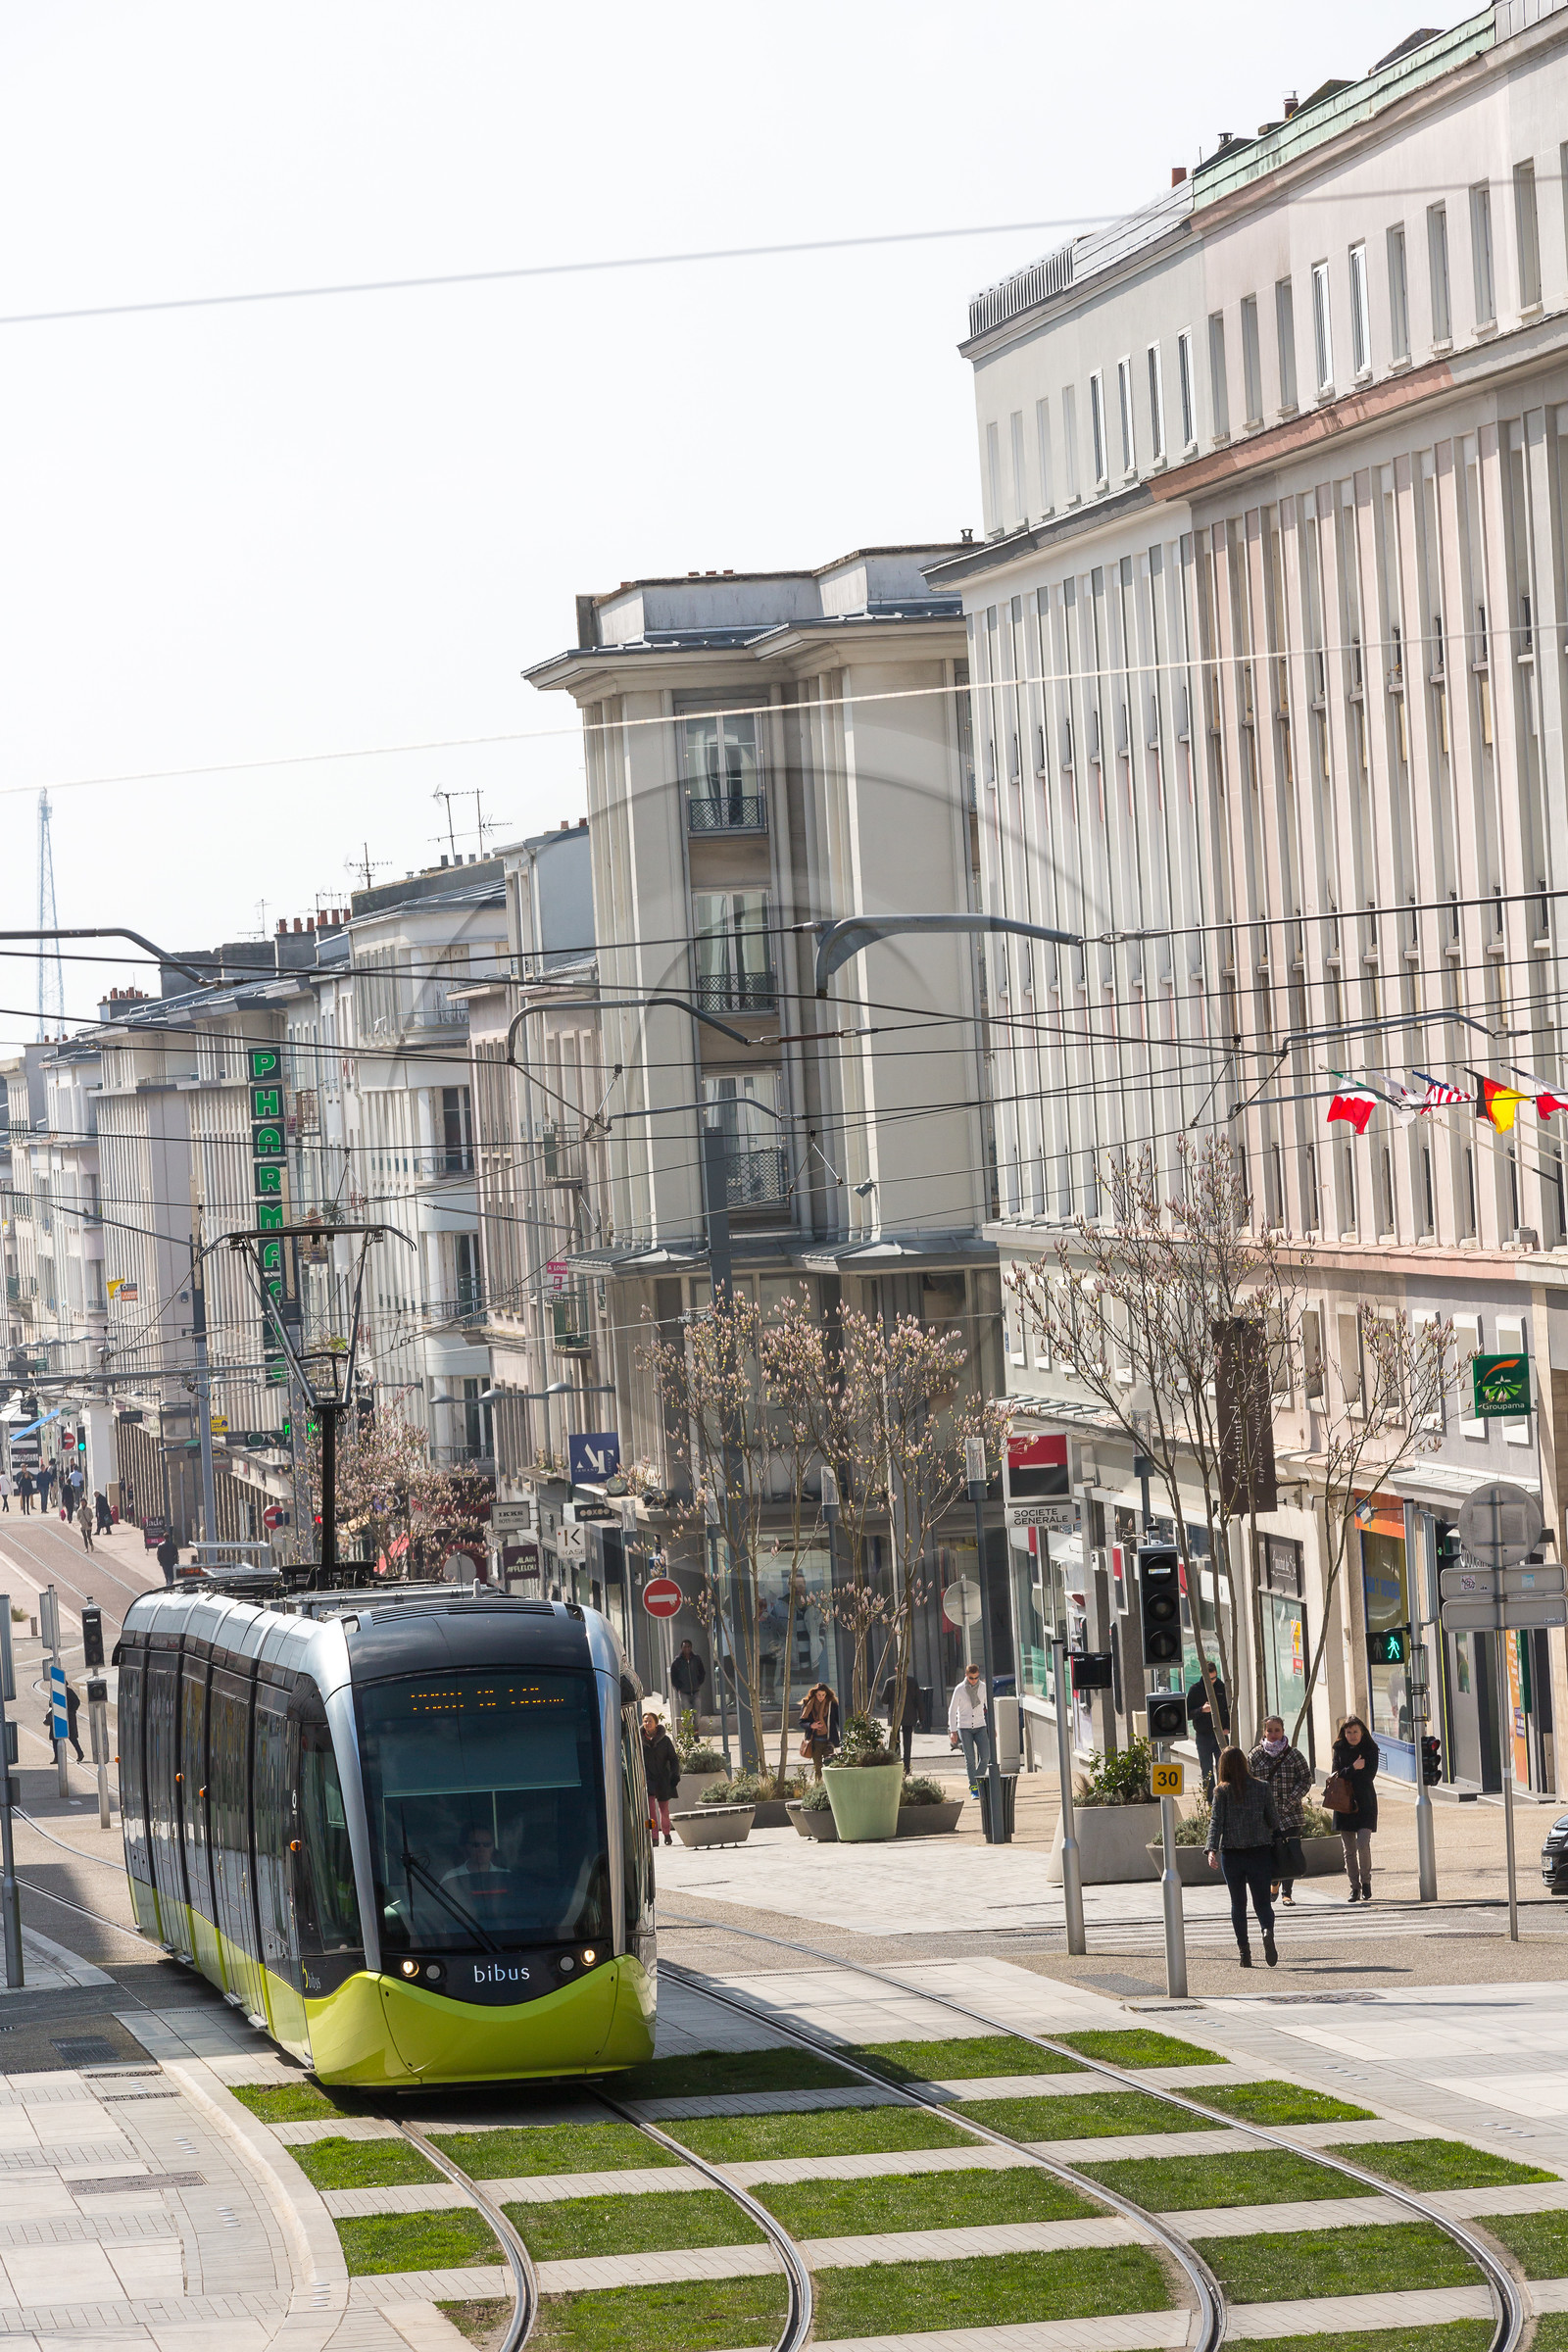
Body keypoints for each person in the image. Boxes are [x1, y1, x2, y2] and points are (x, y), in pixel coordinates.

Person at [1206, 1743, 1281, 1967]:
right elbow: (1273, 1821)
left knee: (1238, 1904)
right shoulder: (1262, 1787)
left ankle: (1244, 1953)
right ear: (1244, 1763)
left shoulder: (1221, 1792)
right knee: (1263, 1902)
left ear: (1223, 1766)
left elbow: (1216, 1823)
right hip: (1259, 1852)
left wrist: (1212, 1849)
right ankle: (1266, 1930)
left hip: (1232, 1855)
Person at [1249, 1715, 1313, 1905]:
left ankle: (1287, 1893)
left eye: (1277, 1730)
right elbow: (1248, 1782)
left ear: (1283, 1731)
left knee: (1288, 1852)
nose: (1273, 1734)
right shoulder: (1255, 1755)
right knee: (1271, 1852)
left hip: (1290, 1814)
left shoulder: (1294, 1755)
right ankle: (1274, 1882)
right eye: (1269, 1730)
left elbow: (1306, 1779)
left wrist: (1291, 1800)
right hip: (1265, 1816)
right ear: (1264, 1732)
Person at [1329, 1714, 1380, 1902]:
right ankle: (1354, 1888)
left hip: (1365, 1802)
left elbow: (1369, 1776)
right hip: (1343, 1803)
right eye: (1349, 1732)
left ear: (1362, 1732)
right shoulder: (1339, 1749)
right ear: (1344, 1733)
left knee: (1363, 1844)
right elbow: (1335, 1775)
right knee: (1349, 1850)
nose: (1352, 1735)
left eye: (1355, 1731)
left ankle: (1366, 1882)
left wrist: (1349, 1773)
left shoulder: (1370, 1749)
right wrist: (1353, 1767)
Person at [949, 1661, 991, 1794]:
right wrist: (953, 1731)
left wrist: (993, 1726)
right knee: (970, 1759)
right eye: (971, 1678)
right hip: (964, 1727)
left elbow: (989, 1707)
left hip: (980, 1725)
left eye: (976, 1677)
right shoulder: (960, 1689)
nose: (974, 1680)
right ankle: (974, 1787)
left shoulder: (983, 1687)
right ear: (966, 1676)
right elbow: (952, 1711)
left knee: (986, 1756)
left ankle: (977, 1780)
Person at [641, 1709, 682, 1844]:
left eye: (650, 1721)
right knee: (650, 1812)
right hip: (648, 1779)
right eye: (645, 1721)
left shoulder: (665, 1740)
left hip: (663, 1779)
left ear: (656, 1724)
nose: (647, 1723)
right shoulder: (639, 1740)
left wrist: (675, 1774)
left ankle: (666, 1833)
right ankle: (654, 1837)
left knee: (664, 1810)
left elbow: (673, 1759)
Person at [1186, 1668, 1230, 1794]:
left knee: (1223, 1766)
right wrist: (1201, 1710)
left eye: (1214, 1678)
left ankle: (1224, 1794)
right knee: (1206, 1768)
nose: (1212, 1681)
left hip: (1220, 1734)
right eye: (1209, 1679)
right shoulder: (1195, 1690)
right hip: (1203, 1735)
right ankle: (1210, 1797)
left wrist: (1228, 1727)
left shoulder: (1221, 1687)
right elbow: (1187, 1714)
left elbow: (1229, 1709)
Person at [881, 1670, 922, 1774]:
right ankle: (906, 1767)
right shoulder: (913, 1681)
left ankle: (897, 1765)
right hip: (909, 1716)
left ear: (896, 1669)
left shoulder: (890, 1682)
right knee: (907, 1743)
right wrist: (921, 1717)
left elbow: (884, 1700)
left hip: (895, 1716)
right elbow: (919, 1701)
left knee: (896, 1741)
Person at [798, 1680, 840, 1780]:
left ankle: (829, 1786)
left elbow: (839, 1720)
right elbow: (801, 1722)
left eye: (823, 1695)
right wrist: (811, 1725)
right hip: (814, 1742)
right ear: (815, 1694)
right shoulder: (808, 1705)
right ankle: (819, 1786)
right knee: (818, 1768)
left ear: (826, 1694)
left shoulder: (831, 1704)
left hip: (828, 1741)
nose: (821, 1697)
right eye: (819, 1695)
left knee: (830, 1766)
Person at [43, 1684, 84, 1765]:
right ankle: (57, 1757)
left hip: (68, 1717)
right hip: (56, 1717)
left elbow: (76, 1702)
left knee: (72, 1736)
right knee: (55, 1737)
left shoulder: (68, 1691)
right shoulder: (54, 1692)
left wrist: (70, 1711)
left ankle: (80, 1753)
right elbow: (50, 1704)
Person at [669, 1639, 708, 1713]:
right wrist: (678, 1687)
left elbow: (702, 1672)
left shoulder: (696, 1659)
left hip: (696, 1692)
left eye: (688, 1646)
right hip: (684, 1693)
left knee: (697, 1714)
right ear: (681, 1648)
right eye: (684, 1647)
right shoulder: (677, 1661)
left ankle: (696, 1722)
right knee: (687, 1715)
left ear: (691, 1647)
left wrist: (699, 1682)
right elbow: (673, 1676)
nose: (686, 1648)